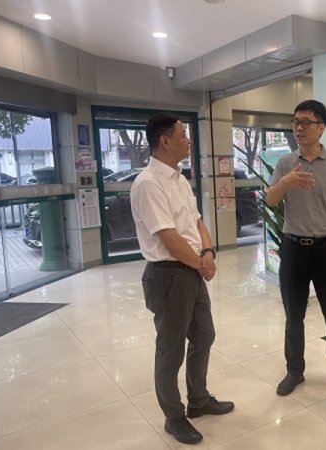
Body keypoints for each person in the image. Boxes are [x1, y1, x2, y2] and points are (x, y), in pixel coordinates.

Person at [130, 112, 234, 445]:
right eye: (183, 135)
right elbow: (169, 238)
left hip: (191, 270)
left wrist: (209, 251)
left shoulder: (179, 179)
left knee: (204, 335)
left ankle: (199, 400)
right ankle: (173, 417)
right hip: (169, 275)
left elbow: (196, 221)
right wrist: (201, 264)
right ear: (165, 141)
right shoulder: (148, 183)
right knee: (170, 350)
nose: (189, 141)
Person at [266, 99, 326, 399]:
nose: (299, 127)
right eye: (295, 122)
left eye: (306, 122)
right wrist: (286, 182)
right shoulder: (285, 163)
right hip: (293, 249)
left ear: (321, 128)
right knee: (293, 316)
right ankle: (295, 370)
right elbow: (270, 199)